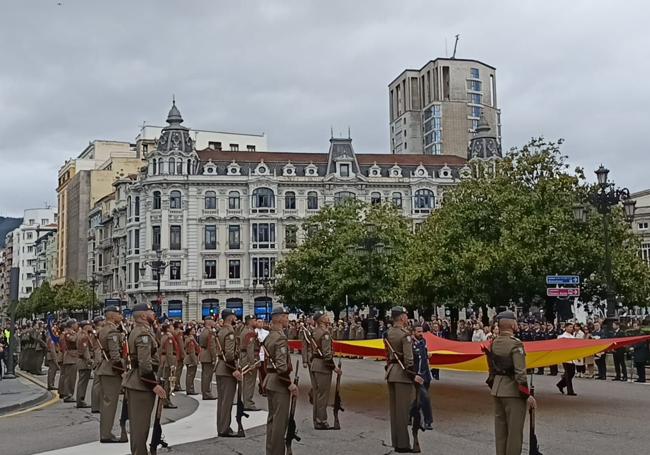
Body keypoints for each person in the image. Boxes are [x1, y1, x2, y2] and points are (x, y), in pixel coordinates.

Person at [484, 311, 536, 455]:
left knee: (501, 433)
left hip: (497, 390)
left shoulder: (494, 343)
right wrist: (527, 396)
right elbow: (520, 374)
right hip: (513, 392)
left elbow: (491, 369)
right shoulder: (515, 344)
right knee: (514, 433)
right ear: (512, 324)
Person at [122, 303, 167, 455]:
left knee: (139, 426)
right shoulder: (143, 334)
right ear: (143, 315)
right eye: (150, 311)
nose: (153, 314)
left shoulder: (141, 331)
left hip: (138, 381)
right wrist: (153, 385)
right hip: (141, 383)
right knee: (140, 427)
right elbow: (145, 364)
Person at [385, 306, 424, 453]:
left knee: (395, 411)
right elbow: (408, 360)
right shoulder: (405, 335)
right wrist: (414, 375)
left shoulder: (388, 333)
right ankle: (402, 444)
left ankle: (397, 441)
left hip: (391, 372)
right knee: (403, 412)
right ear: (402, 318)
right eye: (406, 315)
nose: (407, 318)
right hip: (402, 374)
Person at [263, 306, 299, 455]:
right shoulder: (280, 337)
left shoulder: (269, 336)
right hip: (279, 382)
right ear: (277, 318)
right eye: (285, 316)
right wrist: (289, 384)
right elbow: (281, 367)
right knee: (279, 422)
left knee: (272, 420)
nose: (287, 319)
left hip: (270, 379)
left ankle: (270, 451)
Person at [97, 306, 127, 443]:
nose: (121, 315)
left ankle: (105, 432)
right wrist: (122, 371)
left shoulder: (104, 329)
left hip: (106, 368)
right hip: (111, 370)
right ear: (112, 316)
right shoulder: (112, 331)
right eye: (119, 313)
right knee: (110, 403)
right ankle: (106, 434)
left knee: (107, 403)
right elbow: (115, 356)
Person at [310, 310, 342, 429]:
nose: (328, 317)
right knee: (323, 395)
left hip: (314, 364)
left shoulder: (314, 332)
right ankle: (322, 420)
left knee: (317, 394)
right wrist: (335, 368)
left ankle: (316, 419)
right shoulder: (325, 333)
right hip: (322, 366)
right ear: (321, 320)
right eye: (325, 316)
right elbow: (327, 355)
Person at [215, 309, 243, 437]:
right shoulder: (230, 332)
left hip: (220, 367)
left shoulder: (221, 331)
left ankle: (221, 426)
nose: (235, 317)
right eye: (234, 316)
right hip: (227, 369)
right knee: (227, 401)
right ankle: (224, 428)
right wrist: (234, 370)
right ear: (230, 318)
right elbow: (230, 355)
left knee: (222, 401)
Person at [410, 325, 433, 430]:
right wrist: (413, 375)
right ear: (413, 332)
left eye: (421, 331)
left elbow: (424, 356)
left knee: (418, 399)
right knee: (425, 398)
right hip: (417, 375)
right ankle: (428, 421)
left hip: (425, 374)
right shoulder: (410, 344)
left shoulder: (423, 341)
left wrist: (427, 355)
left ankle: (408, 415)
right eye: (418, 331)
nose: (420, 333)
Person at [239, 315, 260, 410]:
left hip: (244, 357)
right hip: (249, 359)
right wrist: (252, 363)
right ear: (250, 321)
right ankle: (248, 403)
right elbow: (250, 349)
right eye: (255, 320)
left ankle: (246, 401)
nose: (256, 322)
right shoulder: (250, 332)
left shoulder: (244, 330)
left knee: (247, 382)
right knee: (250, 382)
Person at [75, 321, 93, 408]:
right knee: (83, 382)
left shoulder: (80, 334)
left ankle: (80, 400)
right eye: (89, 325)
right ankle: (80, 400)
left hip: (82, 360)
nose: (91, 326)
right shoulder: (84, 336)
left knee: (82, 381)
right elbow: (85, 350)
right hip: (84, 361)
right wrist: (89, 360)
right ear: (85, 327)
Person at [198, 317, 218, 400]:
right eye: (213, 321)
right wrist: (214, 358)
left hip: (203, 353)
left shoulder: (203, 331)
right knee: (207, 376)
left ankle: (205, 392)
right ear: (209, 322)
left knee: (204, 376)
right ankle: (207, 393)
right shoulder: (210, 332)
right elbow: (212, 346)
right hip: (208, 355)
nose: (214, 322)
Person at [61, 319, 80, 403]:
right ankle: (68, 395)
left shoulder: (73, 332)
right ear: (72, 325)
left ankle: (69, 394)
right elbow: (72, 340)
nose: (77, 325)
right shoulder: (68, 333)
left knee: (72, 377)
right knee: (70, 378)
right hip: (70, 357)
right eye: (75, 324)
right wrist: (78, 334)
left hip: (73, 357)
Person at [556, 323, 577, 396]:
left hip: (572, 357)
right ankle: (570, 391)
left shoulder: (572, 337)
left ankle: (560, 384)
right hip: (565, 357)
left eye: (572, 327)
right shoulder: (562, 337)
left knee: (572, 373)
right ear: (566, 328)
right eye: (570, 327)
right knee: (568, 374)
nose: (571, 328)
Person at [184, 326, 199, 395]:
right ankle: (190, 389)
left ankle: (189, 389)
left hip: (188, 358)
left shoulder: (188, 339)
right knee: (191, 375)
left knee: (189, 375)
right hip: (190, 359)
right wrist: (194, 361)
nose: (194, 330)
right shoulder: (191, 340)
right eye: (193, 330)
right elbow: (192, 351)